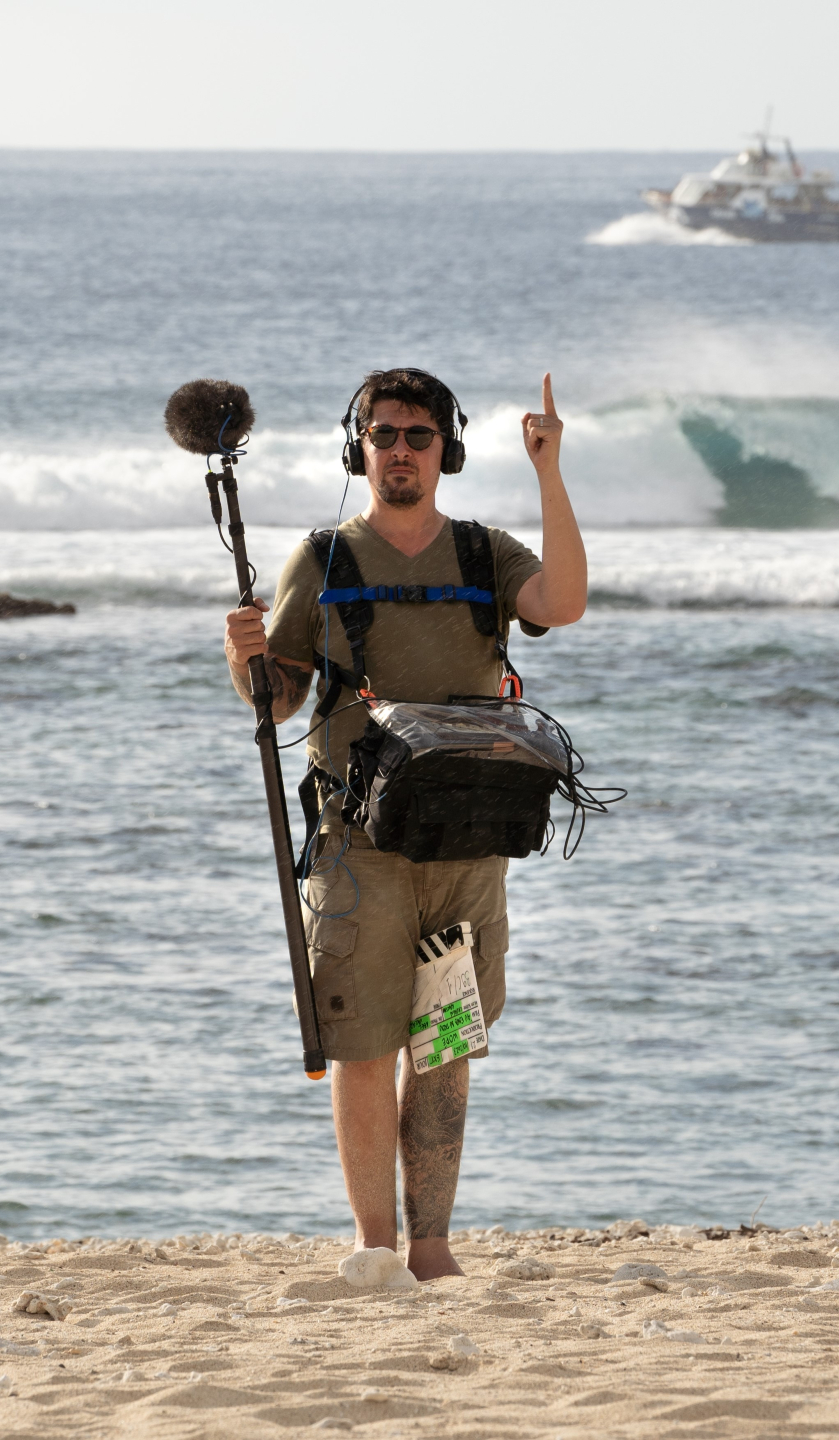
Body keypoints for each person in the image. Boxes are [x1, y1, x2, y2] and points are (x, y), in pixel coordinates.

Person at [224, 368, 587, 1279]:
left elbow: (565, 604)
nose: (399, 451)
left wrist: (549, 470)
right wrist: (248, 663)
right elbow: (279, 703)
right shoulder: (325, 560)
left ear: (446, 451)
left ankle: (432, 1250)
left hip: (469, 842)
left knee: (446, 1046)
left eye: (418, 436)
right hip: (358, 848)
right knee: (363, 1045)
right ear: (361, 449)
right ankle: (375, 1248)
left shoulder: (482, 554)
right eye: (382, 435)